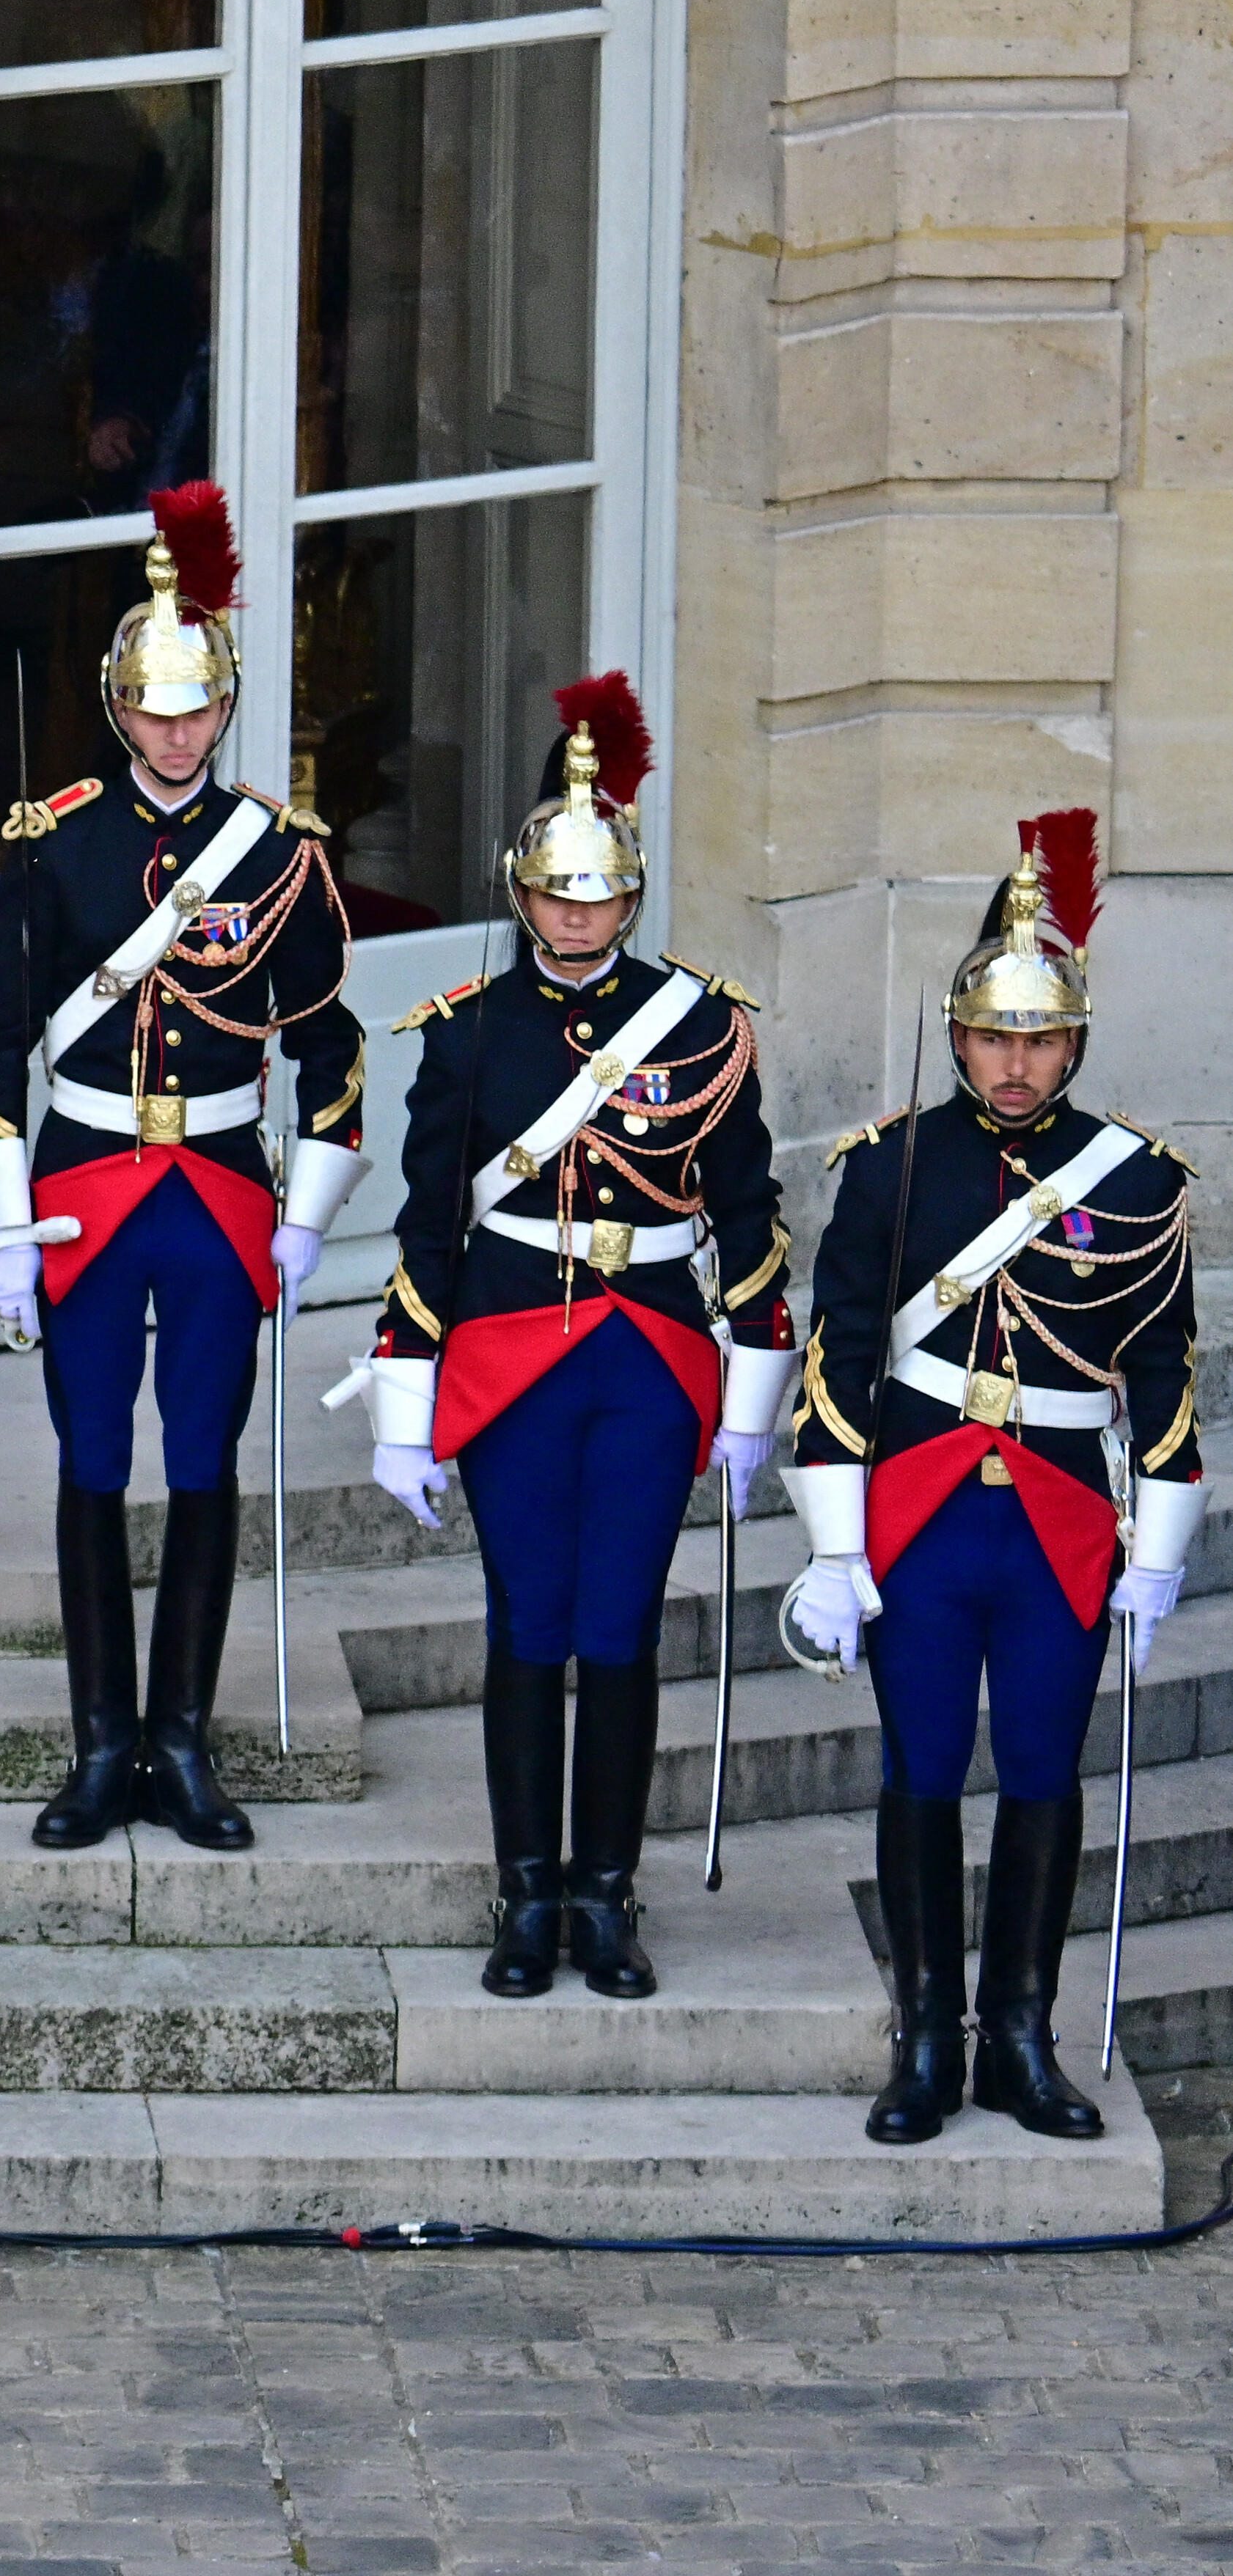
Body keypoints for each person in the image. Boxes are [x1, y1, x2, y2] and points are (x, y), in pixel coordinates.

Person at [351, 677, 791, 2003]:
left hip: (653, 1358)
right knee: (528, 1628)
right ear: (523, 895)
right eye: (557, 896)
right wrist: (403, 1399)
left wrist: (756, 1390)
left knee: (622, 1631)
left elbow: (751, 1210)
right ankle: (525, 1890)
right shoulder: (470, 1036)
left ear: (630, 896)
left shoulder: (701, 1027)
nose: (578, 917)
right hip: (512, 1362)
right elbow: (428, 1231)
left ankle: (607, 1891)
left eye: (598, 897)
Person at [0, 485, 364, 1851]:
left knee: (200, 1456)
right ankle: (99, 1740)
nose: (176, 733)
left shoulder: (281, 855)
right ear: (119, 710)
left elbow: (334, 1046)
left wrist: (307, 1214)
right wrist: (5, 1226)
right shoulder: (56, 843)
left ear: (221, 707)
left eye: (195, 711)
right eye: (153, 710)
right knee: (88, 1453)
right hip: (83, 1180)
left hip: (221, 1185)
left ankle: (181, 1738)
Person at [781, 814, 1189, 2144]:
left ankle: (1021, 2033)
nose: (1017, 1065)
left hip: (1064, 1512)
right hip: (921, 1511)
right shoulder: (892, 1166)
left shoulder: (1133, 1180)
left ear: (1075, 1041)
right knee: (920, 1767)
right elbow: (840, 1355)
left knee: (1040, 1771)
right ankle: (924, 2040)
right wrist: (835, 1543)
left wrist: (1163, 1538)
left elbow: (1166, 1368)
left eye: (1043, 1040)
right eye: (996, 1039)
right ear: (959, 1036)